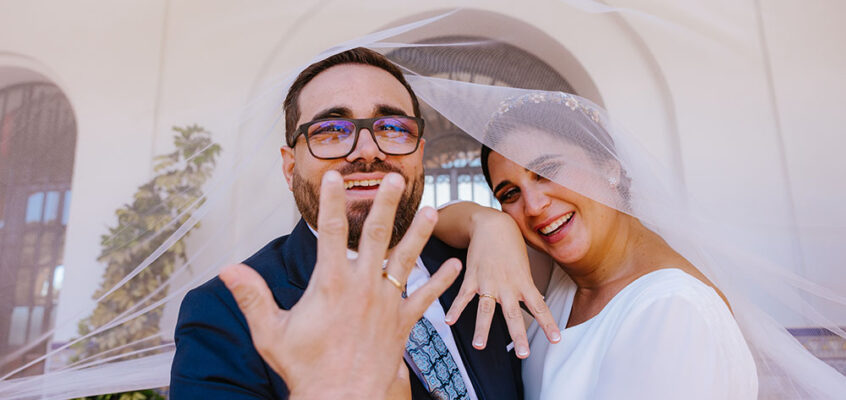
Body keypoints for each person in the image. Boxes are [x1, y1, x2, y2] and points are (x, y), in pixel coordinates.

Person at [169, 47, 525, 399]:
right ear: (291, 169)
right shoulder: (222, 315)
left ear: (420, 154)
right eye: (332, 130)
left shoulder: (477, 264)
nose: (367, 150)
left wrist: (492, 222)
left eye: (392, 127)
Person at [434, 92, 759, 399]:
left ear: (609, 166)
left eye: (546, 171)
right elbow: (433, 223)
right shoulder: (562, 280)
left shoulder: (673, 311)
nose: (532, 206)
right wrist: (488, 222)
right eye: (509, 194)